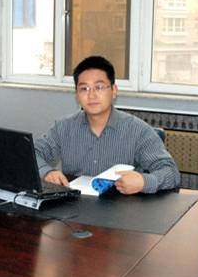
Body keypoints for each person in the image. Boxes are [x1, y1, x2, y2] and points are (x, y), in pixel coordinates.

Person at [34, 55, 180, 195]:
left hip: (122, 206)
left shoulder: (138, 131)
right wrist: (47, 172)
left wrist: (144, 182)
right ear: (77, 94)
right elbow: (33, 153)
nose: (91, 95)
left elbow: (170, 173)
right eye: (84, 89)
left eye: (99, 87)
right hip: (75, 205)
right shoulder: (63, 127)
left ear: (114, 91)